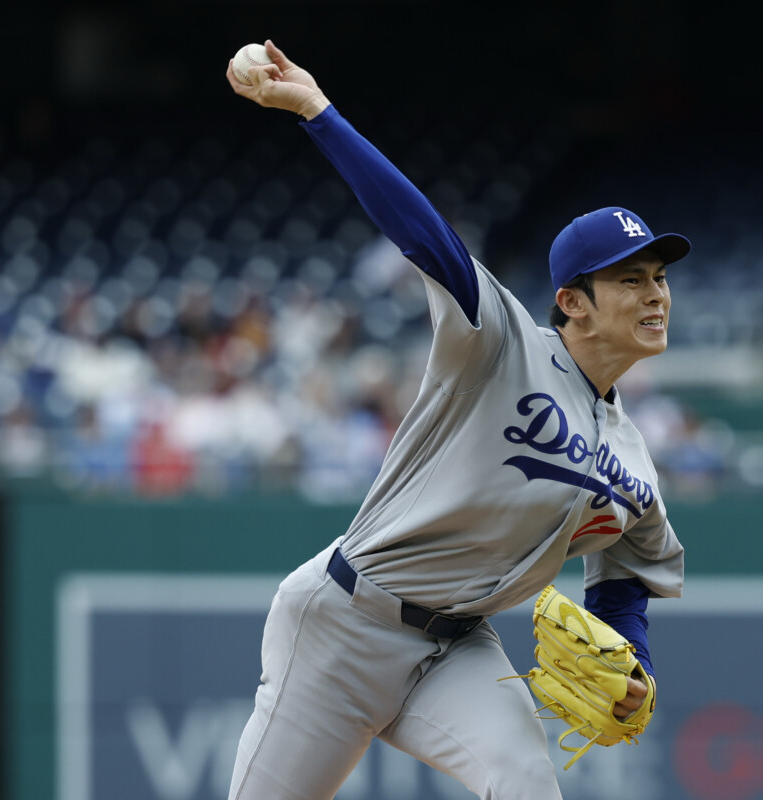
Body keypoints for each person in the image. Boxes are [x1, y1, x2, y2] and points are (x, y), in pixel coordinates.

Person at [224, 41, 689, 800]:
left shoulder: (634, 458)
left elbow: (627, 572)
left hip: (457, 648)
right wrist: (318, 112)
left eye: (660, 278)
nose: (655, 295)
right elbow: (425, 234)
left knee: (528, 781)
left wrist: (632, 659)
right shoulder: (499, 341)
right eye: (630, 280)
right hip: (344, 624)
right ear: (572, 302)